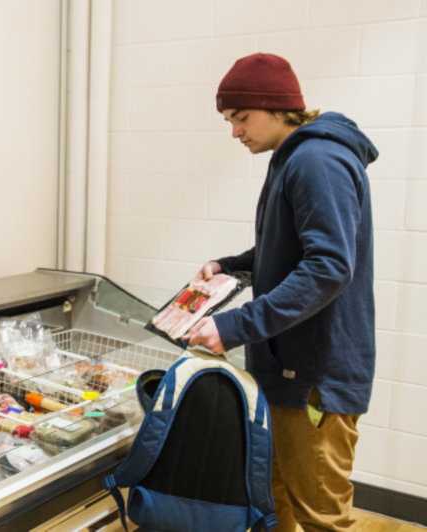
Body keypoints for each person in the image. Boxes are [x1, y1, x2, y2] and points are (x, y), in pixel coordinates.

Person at [183, 53, 377, 531]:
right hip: (289, 368)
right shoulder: (293, 158)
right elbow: (289, 248)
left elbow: (329, 267)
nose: (235, 132)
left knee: (318, 516)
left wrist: (232, 326)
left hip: (314, 376)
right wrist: (231, 267)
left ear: (276, 107)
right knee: (277, 500)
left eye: (242, 117)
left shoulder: (317, 158)